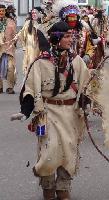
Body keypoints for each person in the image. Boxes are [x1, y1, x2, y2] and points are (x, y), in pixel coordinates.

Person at [11, 21, 90, 200]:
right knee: (48, 152)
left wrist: (88, 101)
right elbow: (30, 89)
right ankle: (48, 188)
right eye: (67, 36)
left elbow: (87, 86)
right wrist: (25, 111)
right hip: (47, 113)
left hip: (70, 114)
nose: (71, 40)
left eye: (72, 36)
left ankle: (63, 188)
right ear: (56, 38)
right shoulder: (40, 63)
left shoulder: (76, 61)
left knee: (68, 152)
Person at [0, 4, 16, 94]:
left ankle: (10, 87)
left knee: (10, 68)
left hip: (9, 48)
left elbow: (15, 35)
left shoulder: (10, 22)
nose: (1, 13)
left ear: (5, 11)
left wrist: (13, 42)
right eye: (0, 11)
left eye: (2, 11)